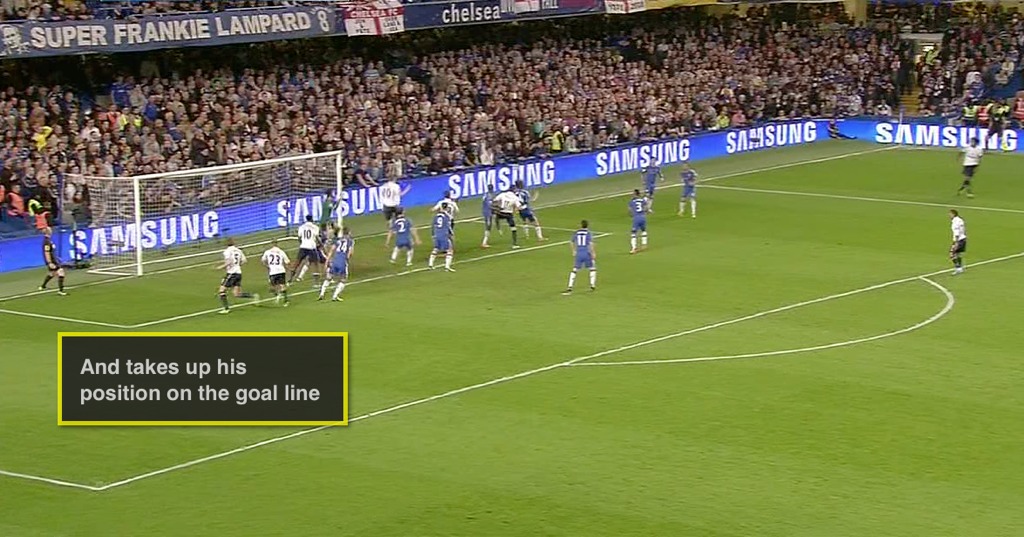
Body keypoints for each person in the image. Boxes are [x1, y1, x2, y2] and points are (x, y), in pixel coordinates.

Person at [217, 238, 257, 314]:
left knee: (221, 290)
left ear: (226, 244)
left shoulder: (227, 251)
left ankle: (226, 309)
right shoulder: (239, 251)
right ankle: (252, 296)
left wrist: (220, 267)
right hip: (238, 273)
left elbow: (229, 261)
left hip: (231, 273)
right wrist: (237, 265)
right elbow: (244, 261)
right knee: (236, 294)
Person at [319, 227, 355, 302]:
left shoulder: (338, 240)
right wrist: (347, 260)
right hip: (342, 261)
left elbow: (331, 251)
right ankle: (335, 296)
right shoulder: (351, 241)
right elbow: (350, 253)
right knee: (343, 279)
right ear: (348, 233)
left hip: (335, 260)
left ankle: (321, 294)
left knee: (329, 278)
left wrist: (327, 262)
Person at [562, 220, 597, 295]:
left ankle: (570, 287)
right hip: (587, 253)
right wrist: (593, 253)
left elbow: (571, 242)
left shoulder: (576, 232)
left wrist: (573, 251)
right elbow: (591, 244)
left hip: (579, 253)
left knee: (574, 270)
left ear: (581, 225)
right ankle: (592, 285)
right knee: (592, 269)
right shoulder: (588, 233)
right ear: (587, 225)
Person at [290, 215, 322, 283]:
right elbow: (317, 238)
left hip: (303, 246)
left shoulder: (301, 227)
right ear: (312, 219)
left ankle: (290, 279)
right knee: (315, 263)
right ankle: (316, 281)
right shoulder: (315, 227)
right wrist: (321, 245)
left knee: (297, 262)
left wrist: (302, 243)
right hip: (311, 247)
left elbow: (299, 238)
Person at [260, 239, 291, 306]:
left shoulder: (267, 252)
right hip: (281, 270)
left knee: (272, 286)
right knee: (282, 285)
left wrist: (267, 266)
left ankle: (277, 295)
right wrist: (288, 269)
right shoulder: (281, 252)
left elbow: (263, 260)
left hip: (273, 272)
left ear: (271, 244)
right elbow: (287, 262)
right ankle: (285, 301)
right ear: (277, 243)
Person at [38, 227, 67, 296]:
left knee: (52, 273)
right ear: (48, 232)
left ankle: (43, 286)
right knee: (61, 272)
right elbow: (46, 252)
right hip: (52, 261)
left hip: (53, 259)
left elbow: (51, 251)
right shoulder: (46, 241)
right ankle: (61, 290)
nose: (52, 231)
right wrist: (49, 262)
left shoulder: (49, 240)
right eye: (50, 230)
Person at [628, 189, 650, 254]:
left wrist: (632, 215)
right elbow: (646, 209)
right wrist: (647, 212)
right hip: (643, 217)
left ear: (635, 194)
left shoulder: (631, 202)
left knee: (633, 233)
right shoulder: (642, 200)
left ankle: (634, 248)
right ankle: (644, 244)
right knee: (643, 230)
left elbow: (630, 211)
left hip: (636, 218)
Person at [949, 209, 967, 275]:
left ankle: (958, 268)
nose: (949, 215)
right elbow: (963, 229)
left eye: (950, 214)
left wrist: (956, 242)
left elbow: (957, 233)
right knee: (958, 254)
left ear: (953, 214)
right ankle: (960, 268)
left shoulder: (955, 222)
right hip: (963, 238)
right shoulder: (960, 220)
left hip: (958, 240)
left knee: (952, 254)